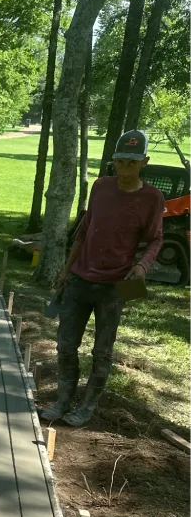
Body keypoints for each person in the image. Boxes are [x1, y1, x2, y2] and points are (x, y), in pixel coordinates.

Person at [41, 129, 164, 427]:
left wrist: (142, 267)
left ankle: (87, 407)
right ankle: (63, 401)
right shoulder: (101, 187)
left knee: (102, 352)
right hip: (79, 280)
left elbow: (156, 240)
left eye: (132, 163)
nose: (125, 168)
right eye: (120, 162)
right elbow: (84, 230)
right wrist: (66, 270)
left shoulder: (152, 198)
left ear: (144, 162)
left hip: (114, 287)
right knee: (67, 345)